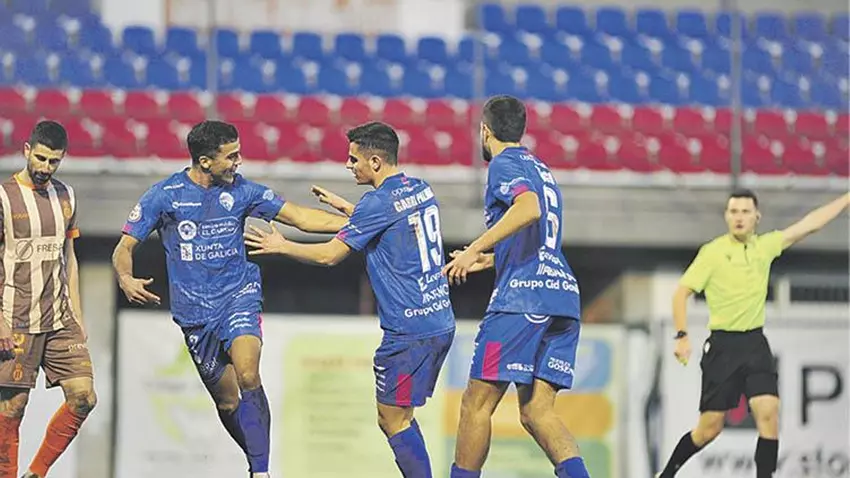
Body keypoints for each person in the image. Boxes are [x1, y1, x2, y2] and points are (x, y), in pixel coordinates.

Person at [111, 120, 348, 478]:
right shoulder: (165, 195)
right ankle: (256, 461)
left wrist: (359, 221)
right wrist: (125, 278)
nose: (239, 161)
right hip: (195, 315)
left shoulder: (242, 190)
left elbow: (300, 217)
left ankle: (261, 472)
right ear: (205, 161)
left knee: (248, 373)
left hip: (239, 295)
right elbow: (124, 247)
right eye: (231, 156)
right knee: (227, 401)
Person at [244, 121, 455, 478]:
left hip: (409, 330)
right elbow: (390, 219)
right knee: (400, 415)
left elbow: (330, 255)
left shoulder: (376, 202)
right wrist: (346, 207)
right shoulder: (419, 188)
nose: (348, 165)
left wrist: (282, 246)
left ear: (375, 162)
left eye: (353, 159)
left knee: (392, 419)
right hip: (439, 320)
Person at [443, 96, 589, 478]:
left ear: (484, 131)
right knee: (538, 411)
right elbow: (540, 238)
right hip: (563, 295)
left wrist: (473, 249)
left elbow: (528, 209)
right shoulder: (541, 168)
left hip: (522, 300)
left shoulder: (503, 164)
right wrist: (493, 259)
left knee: (476, 404)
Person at [657, 189, 850, 478]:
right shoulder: (713, 252)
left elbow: (809, 224)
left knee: (769, 413)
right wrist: (682, 335)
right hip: (722, 345)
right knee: (709, 430)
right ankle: (666, 474)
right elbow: (681, 293)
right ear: (726, 216)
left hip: (754, 343)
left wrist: (846, 199)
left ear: (757, 217)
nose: (739, 217)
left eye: (745, 212)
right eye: (733, 211)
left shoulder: (765, 246)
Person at [0, 121, 97, 478]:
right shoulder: (4, 197)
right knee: (13, 407)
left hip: (60, 317)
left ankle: (37, 472)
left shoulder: (67, 196)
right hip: (16, 317)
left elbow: (69, 256)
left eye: (54, 161)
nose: (45, 167)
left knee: (84, 397)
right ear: (27, 150)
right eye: (40, 158)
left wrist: (79, 314)